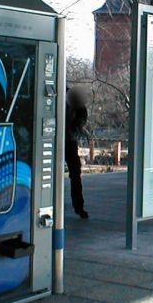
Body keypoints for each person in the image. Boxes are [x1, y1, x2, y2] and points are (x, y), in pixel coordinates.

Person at [65, 87, 89, 218]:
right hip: (69, 139)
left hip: (67, 139)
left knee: (75, 174)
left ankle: (79, 206)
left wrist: (74, 129)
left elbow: (82, 114)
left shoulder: (69, 94)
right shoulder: (70, 93)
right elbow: (83, 115)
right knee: (75, 174)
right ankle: (79, 207)